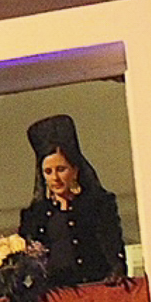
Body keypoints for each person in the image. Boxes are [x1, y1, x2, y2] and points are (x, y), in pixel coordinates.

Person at [17, 114, 127, 290]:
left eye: (61, 169)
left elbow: (113, 249)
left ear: (75, 170)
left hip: (96, 293)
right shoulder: (34, 214)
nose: (55, 178)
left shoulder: (99, 205)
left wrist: (116, 272)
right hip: (54, 299)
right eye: (48, 171)